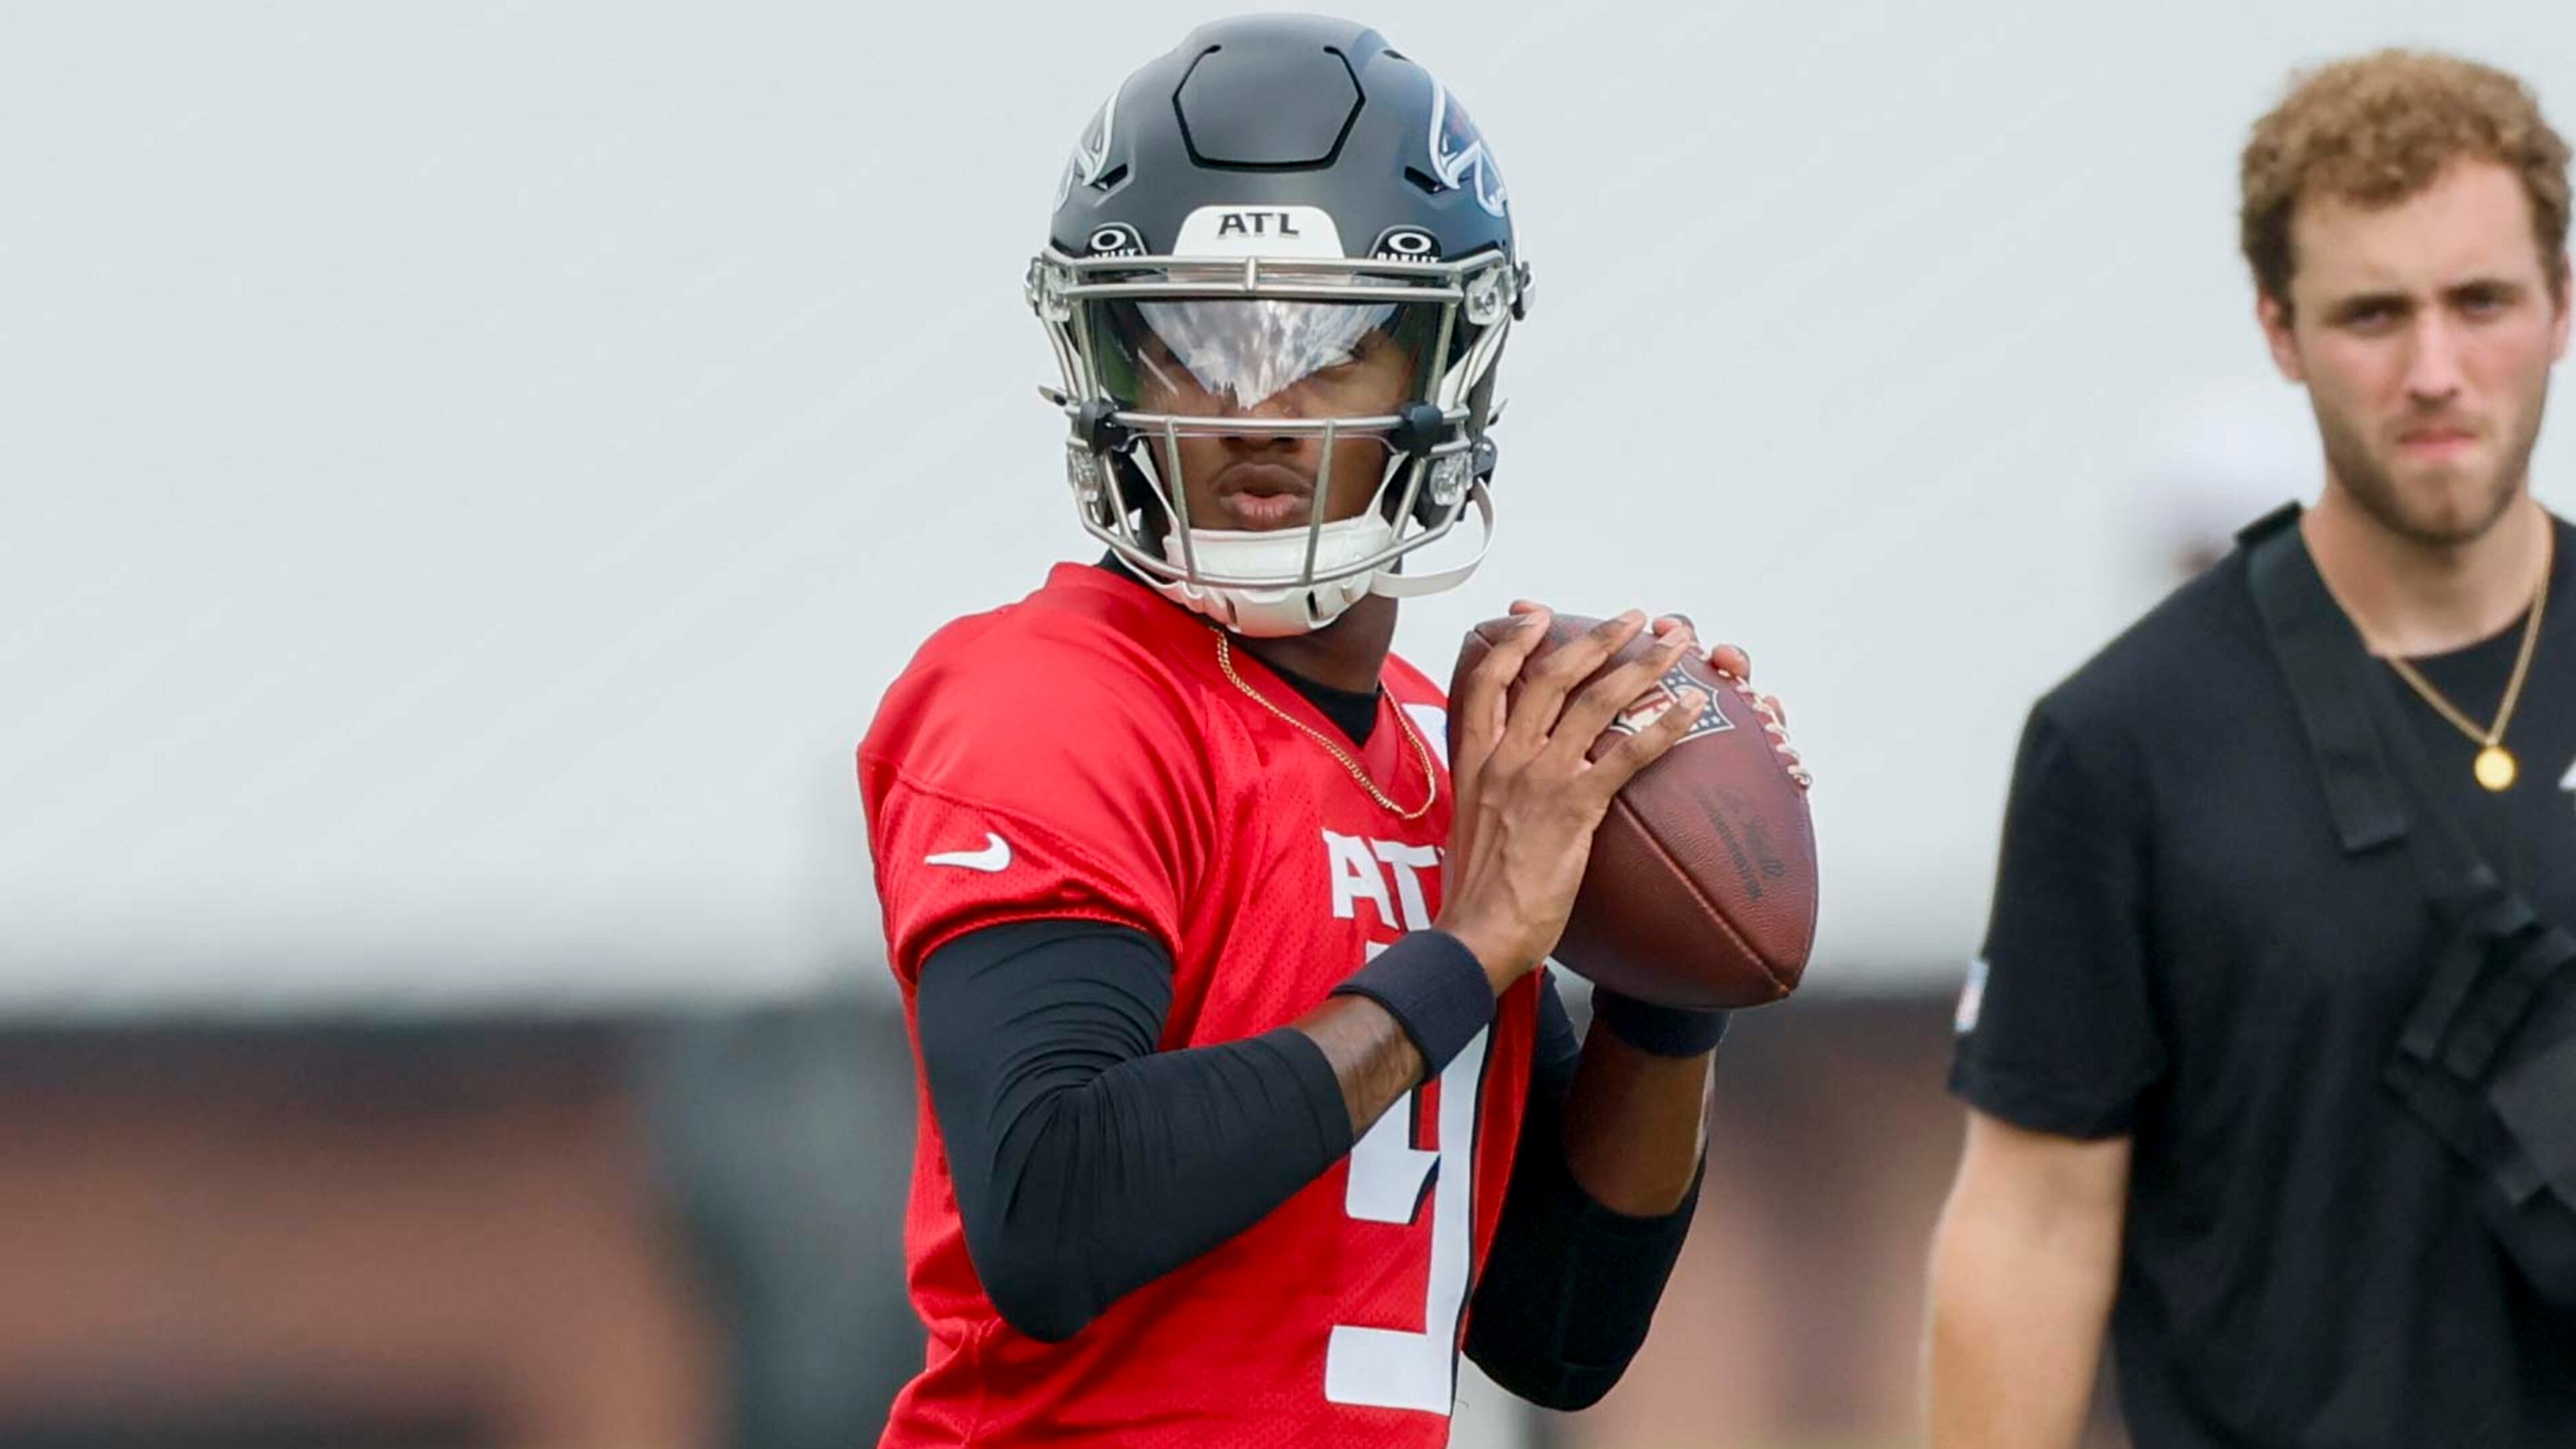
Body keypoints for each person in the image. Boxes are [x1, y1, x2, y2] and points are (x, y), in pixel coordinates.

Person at [857, 15, 1802, 1447]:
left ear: (1447, 368)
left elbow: (1555, 1334)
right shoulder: (1046, 699)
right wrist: (1472, 949)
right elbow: (1050, 1211)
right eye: (1192, 339)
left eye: (1333, 342)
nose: (1254, 408)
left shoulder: (1449, 761)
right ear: (1104, 358)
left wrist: (1671, 973)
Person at [1927, 49, 2576, 1449]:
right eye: (2371, 314)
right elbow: (2031, 1227)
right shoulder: (2121, 744)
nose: (2435, 370)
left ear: (2562, 306)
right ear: (2281, 330)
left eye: (2481, 303)